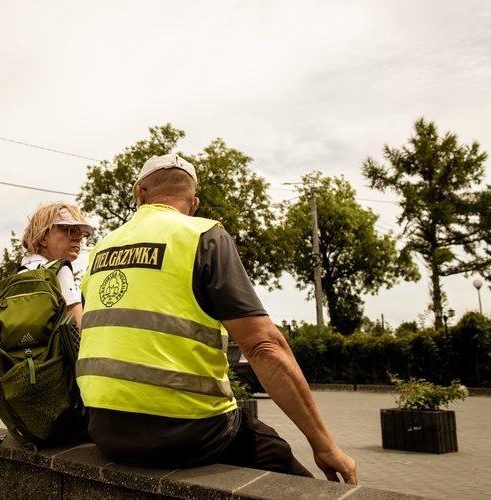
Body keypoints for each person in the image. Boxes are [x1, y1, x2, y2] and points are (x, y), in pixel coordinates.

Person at [76, 153, 357, 484]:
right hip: (189, 433)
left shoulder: (99, 250)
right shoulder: (203, 236)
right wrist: (325, 445)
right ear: (193, 204)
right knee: (287, 471)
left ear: (140, 195)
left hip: (105, 430)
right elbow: (263, 345)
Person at [21, 202, 93, 330]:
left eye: (81, 233)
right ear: (43, 238)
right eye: (68, 230)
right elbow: (79, 326)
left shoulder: (20, 273)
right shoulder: (58, 270)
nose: (78, 238)